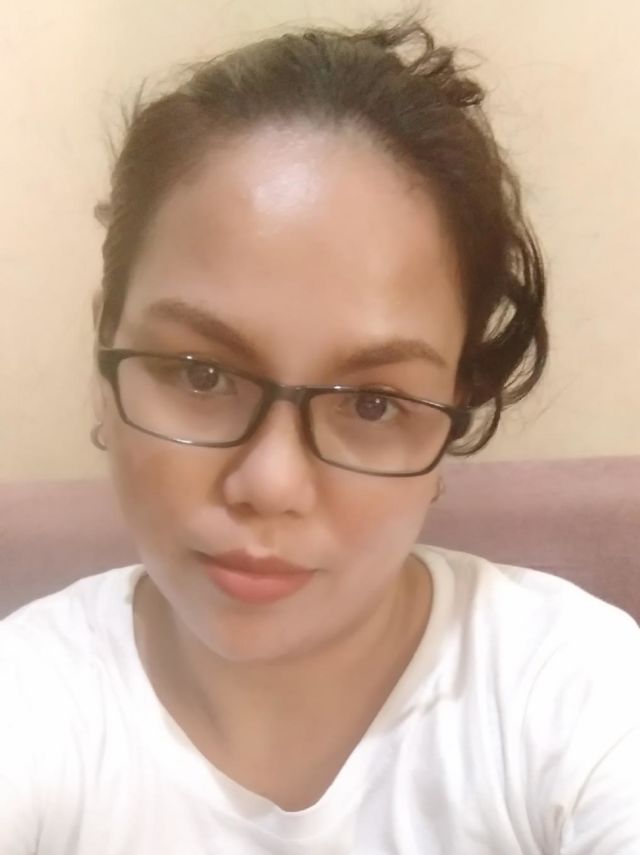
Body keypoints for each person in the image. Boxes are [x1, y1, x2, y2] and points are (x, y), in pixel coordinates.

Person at [1, 15, 638, 855]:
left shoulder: (577, 693)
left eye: (372, 402)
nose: (270, 484)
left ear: (452, 410)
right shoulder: (30, 701)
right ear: (104, 352)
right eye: (200, 373)